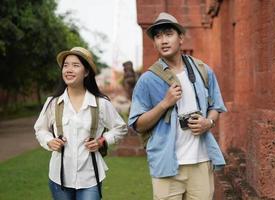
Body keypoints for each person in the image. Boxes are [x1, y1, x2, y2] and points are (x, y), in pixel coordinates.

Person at [128, 12, 227, 200]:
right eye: (158, 36)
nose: (163, 40)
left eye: (168, 34)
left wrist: (208, 122)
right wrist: (164, 103)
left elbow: (216, 106)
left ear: (181, 38)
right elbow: (138, 125)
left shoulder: (203, 70)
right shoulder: (147, 80)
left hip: (201, 161)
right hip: (166, 164)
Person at [34, 47, 127, 200]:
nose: (69, 70)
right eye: (66, 65)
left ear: (86, 72)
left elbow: (120, 128)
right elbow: (40, 129)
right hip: (59, 177)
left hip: (90, 177)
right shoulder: (53, 102)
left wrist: (102, 141)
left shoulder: (101, 103)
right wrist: (49, 141)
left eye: (76, 65)